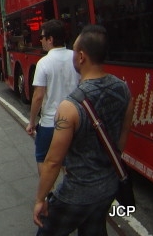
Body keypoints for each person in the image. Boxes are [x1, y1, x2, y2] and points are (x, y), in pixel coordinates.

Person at [33, 25, 134, 234]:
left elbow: (52, 162)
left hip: (75, 194)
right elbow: (121, 139)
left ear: (81, 57)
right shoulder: (124, 90)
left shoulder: (70, 107)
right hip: (108, 188)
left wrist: (40, 199)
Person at [26, 20, 80, 175]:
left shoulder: (43, 63)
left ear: (50, 39)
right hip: (75, 122)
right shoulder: (76, 58)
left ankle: (48, 195)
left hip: (50, 123)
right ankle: (70, 192)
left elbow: (38, 96)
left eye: (42, 36)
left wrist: (31, 122)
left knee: (43, 159)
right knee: (69, 161)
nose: (40, 40)